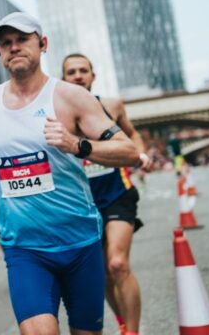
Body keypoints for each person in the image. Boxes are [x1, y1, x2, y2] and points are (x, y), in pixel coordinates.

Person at [0, 13, 139, 335]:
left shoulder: (70, 96)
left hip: (80, 242)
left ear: (42, 44)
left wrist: (77, 145)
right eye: (6, 43)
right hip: (24, 248)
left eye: (22, 40)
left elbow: (129, 151)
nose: (14, 48)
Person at [62, 53, 152, 335]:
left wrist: (141, 154)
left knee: (117, 262)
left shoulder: (112, 105)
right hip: (82, 202)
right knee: (101, 274)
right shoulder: (56, 113)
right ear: (63, 79)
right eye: (71, 72)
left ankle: (133, 332)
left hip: (117, 193)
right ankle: (123, 325)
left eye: (83, 70)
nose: (78, 76)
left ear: (93, 75)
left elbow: (131, 134)